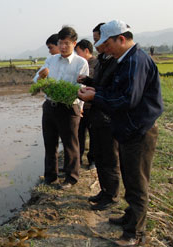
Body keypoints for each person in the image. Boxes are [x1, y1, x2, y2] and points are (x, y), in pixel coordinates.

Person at [78, 20, 163, 246]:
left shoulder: (136, 61)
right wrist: (96, 89)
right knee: (129, 176)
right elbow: (116, 91)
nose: (104, 50)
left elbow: (127, 99)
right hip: (128, 129)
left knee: (137, 183)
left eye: (107, 45)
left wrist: (95, 97)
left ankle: (134, 234)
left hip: (139, 131)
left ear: (121, 39)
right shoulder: (124, 60)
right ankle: (130, 217)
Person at [34, 26, 89, 188]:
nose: (63, 47)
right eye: (60, 43)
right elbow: (36, 79)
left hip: (69, 108)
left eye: (67, 43)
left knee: (70, 144)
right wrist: (41, 77)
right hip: (50, 106)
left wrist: (80, 107)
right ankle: (50, 177)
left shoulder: (81, 62)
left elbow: (81, 88)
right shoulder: (51, 60)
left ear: (74, 43)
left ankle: (71, 178)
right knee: (49, 143)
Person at [78, 23, 121, 211]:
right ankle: (104, 191)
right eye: (95, 40)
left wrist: (94, 94)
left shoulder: (117, 61)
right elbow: (101, 83)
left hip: (108, 116)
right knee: (100, 156)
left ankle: (111, 195)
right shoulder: (104, 59)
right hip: (97, 114)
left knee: (110, 157)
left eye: (99, 40)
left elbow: (115, 91)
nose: (97, 44)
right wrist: (89, 82)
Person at [75, 39, 97, 170]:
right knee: (79, 134)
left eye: (78, 52)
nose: (76, 56)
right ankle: (77, 160)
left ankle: (92, 160)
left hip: (92, 105)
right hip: (80, 105)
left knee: (93, 134)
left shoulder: (97, 64)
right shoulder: (78, 64)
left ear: (86, 51)